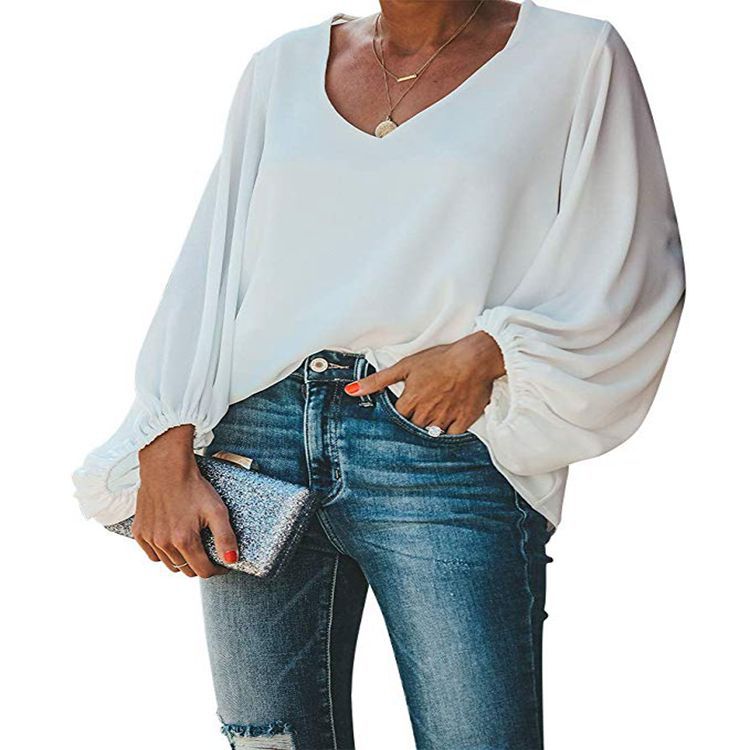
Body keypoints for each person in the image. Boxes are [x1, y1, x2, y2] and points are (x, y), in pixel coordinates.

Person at [72, 1, 686, 747]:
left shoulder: (576, 57)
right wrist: (165, 436)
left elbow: (630, 258)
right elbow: (212, 262)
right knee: (269, 741)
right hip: (259, 441)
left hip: (439, 443)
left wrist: (489, 352)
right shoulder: (281, 68)